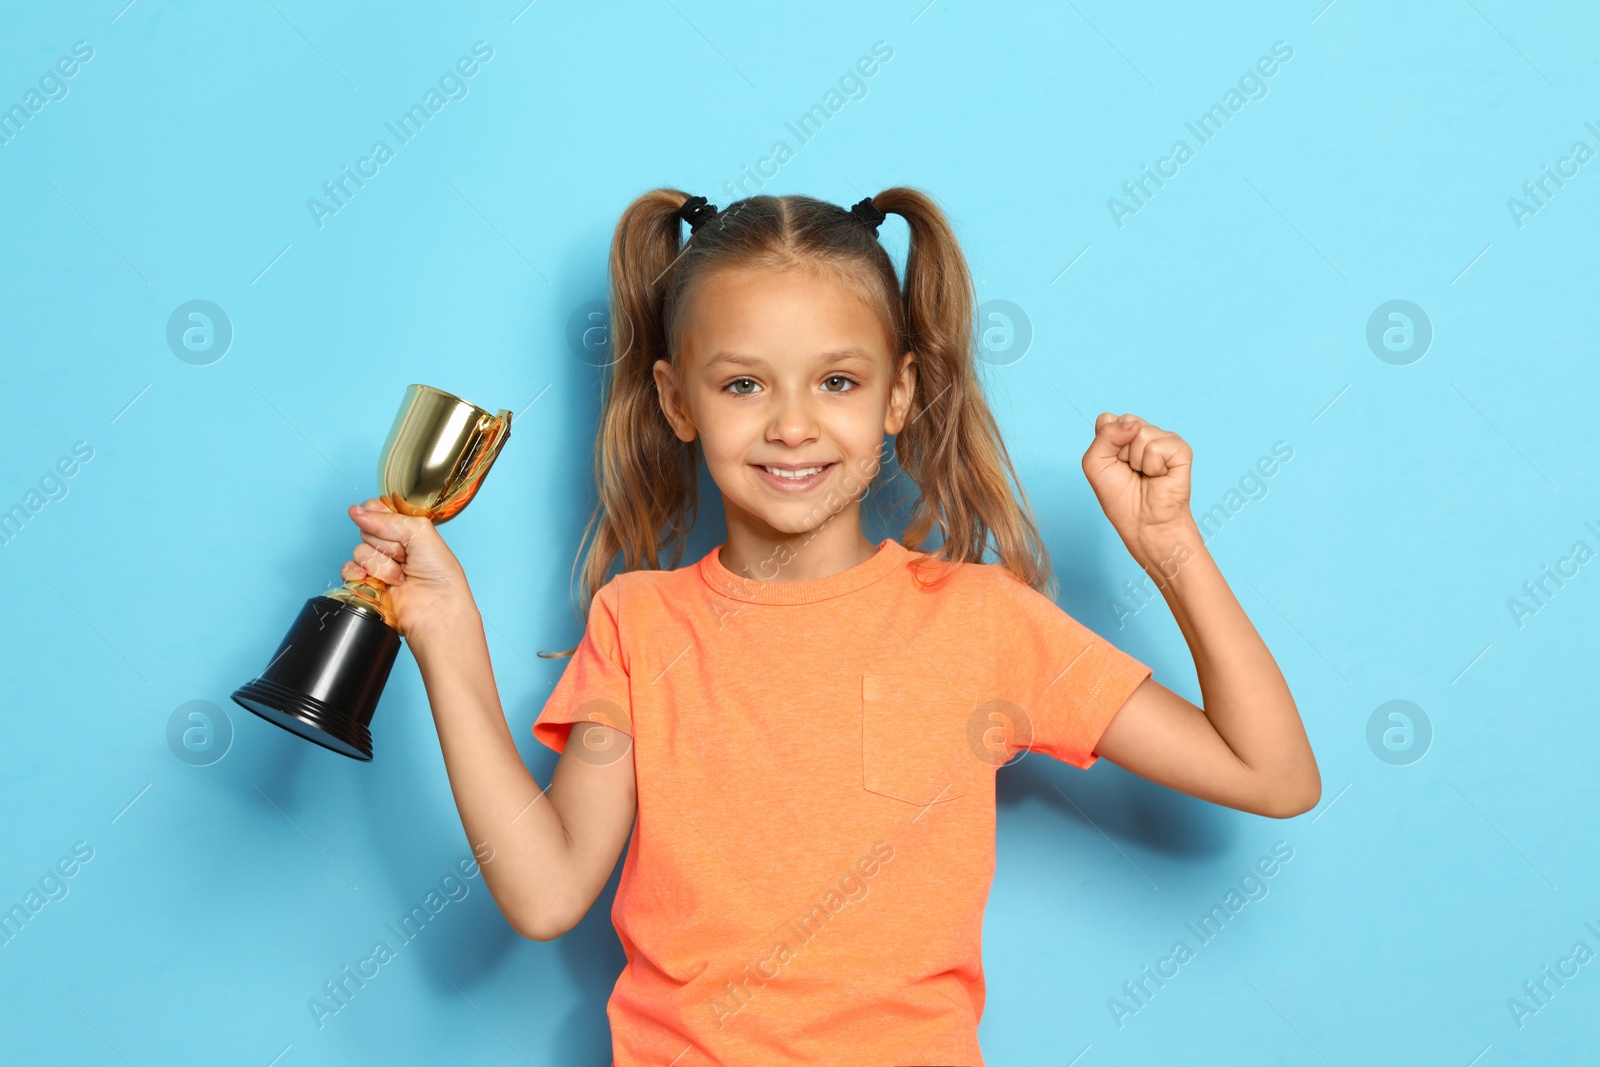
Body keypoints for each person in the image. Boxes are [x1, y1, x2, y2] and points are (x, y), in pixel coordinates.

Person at [339, 187, 1320, 1066]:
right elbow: (547, 892)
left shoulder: (981, 624)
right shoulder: (639, 622)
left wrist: (1170, 548)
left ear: (897, 393)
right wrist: (445, 631)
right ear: (677, 400)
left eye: (836, 382)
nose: (792, 424)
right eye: (742, 384)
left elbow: (1270, 774)